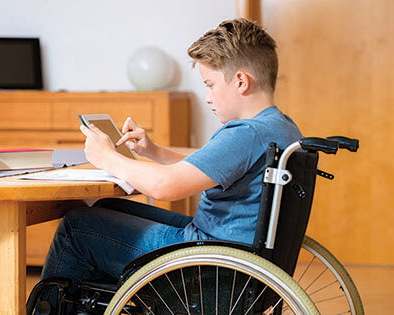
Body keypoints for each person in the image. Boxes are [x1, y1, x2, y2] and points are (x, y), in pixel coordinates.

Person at [36, 18, 302, 312]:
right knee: (106, 209)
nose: (208, 97)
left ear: (241, 81)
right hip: (236, 259)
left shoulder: (244, 134)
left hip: (208, 270)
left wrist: (107, 157)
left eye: (210, 85)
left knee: (78, 226)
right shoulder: (280, 128)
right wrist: (152, 150)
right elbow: (205, 169)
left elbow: (167, 186)